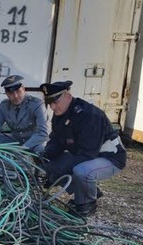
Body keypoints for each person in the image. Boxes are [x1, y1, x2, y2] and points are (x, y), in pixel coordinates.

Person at [40, 80, 127, 216]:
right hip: (87, 155)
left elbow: (87, 154)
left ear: (68, 96)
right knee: (50, 164)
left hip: (109, 157)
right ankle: (89, 190)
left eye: (55, 102)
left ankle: (87, 204)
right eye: (49, 103)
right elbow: (56, 141)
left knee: (82, 171)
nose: (52, 107)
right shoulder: (60, 114)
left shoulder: (90, 115)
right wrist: (45, 156)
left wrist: (57, 170)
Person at [0, 75, 49, 153]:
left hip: (33, 142)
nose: (15, 96)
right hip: (16, 141)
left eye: (18, 91)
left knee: (41, 150)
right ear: (6, 94)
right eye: (11, 93)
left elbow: (43, 133)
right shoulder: (4, 105)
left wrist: (23, 148)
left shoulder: (37, 104)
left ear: (24, 89)